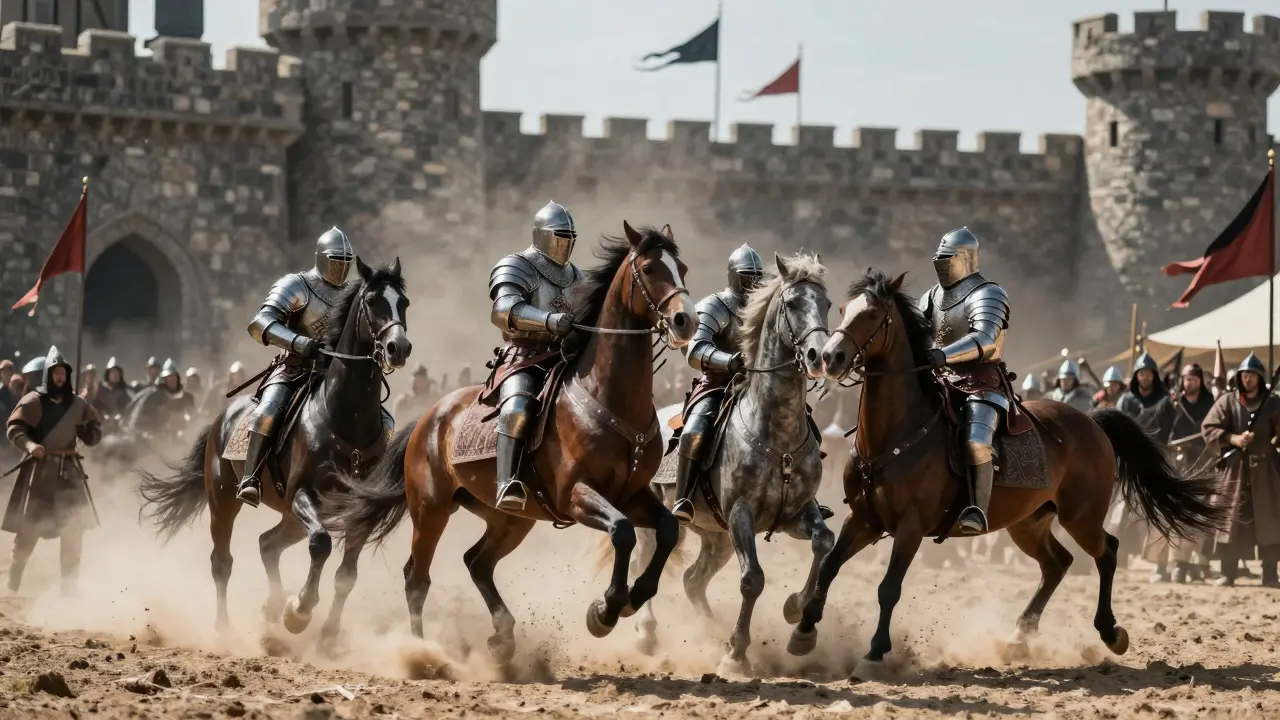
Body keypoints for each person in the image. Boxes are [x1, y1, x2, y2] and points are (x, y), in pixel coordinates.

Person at [237, 227, 387, 507]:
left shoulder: (353, 293)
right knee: (267, 413)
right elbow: (259, 325)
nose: (341, 268)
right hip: (295, 370)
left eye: (346, 262)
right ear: (321, 259)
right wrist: (298, 342)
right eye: (335, 261)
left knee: (384, 422)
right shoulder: (296, 285)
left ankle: (377, 480)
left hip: (336, 376)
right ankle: (251, 478)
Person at [485, 201, 583, 511]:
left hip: (568, 357)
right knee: (517, 408)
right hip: (525, 356)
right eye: (559, 235)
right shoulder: (517, 265)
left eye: (569, 236)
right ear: (541, 235)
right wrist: (548, 321)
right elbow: (503, 310)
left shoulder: (579, 276)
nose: (564, 242)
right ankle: (506, 482)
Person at [918, 227, 1012, 536]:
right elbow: (917, 335)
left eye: (948, 258)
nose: (941, 263)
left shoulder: (988, 292)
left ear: (965, 258)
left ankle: (977, 509)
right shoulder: (931, 296)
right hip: (937, 378)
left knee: (975, 441)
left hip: (979, 382)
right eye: (939, 257)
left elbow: (985, 339)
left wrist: (942, 355)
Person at [670, 244, 764, 524]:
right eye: (748, 276)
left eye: (758, 277)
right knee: (694, 432)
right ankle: (683, 496)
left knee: (803, 425)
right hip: (718, 385)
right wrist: (728, 361)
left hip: (759, 386)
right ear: (734, 276)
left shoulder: (767, 308)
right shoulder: (716, 305)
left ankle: (804, 495)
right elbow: (693, 349)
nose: (753, 283)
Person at [3, 346, 101, 595]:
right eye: (55, 373)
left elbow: (92, 435)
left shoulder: (78, 404)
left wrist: (88, 428)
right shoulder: (33, 401)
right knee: (28, 531)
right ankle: (14, 583)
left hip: (69, 474)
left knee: (73, 530)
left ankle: (69, 590)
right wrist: (30, 445)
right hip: (40, 474)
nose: (59, 377)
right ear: (48, 375)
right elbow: (15, 429)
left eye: (62, 373)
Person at [1201, 352, 1280, 587]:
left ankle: (1270, 575)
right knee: (1230, 523)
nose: (1248, 379)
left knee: (1271, 523)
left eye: (1252, 375)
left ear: (1259, 377)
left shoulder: (1274, 402)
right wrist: (1233, 439)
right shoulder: (1228, 401)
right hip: (1235, 473)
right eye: (1245, 375)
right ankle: (1228, 573)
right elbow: (1209, 427)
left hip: (1266, 472)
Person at [1146, 362, 1217, 583]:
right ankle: (1160, 565)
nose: (1191, 382)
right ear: (1182, 380)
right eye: (1187, 379)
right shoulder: (1171, 403)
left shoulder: (1210, 404)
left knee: (1192, 519)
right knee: (1163, 516)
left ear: (1200, 381)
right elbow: (1155, 430)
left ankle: (1183, 565)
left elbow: (1215, 430)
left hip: (1200, 465)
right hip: (1173, 465)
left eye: (1195, 379)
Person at [123, 359, 197, 441]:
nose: (171, 380)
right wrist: (147, 433)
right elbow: (136, 421)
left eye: (173, 377)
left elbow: (194, 419)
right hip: (155, 438)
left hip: (180, 438)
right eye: (168, 378)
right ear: (163, 379)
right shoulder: (153, 395)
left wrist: (186, 430)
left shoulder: (187, 397)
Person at [1117, 352, 1174, 438]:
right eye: (1142, 374)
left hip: (1155, 446)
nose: (1145, 377)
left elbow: (1168, 429)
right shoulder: (1126, 400)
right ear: (1137, 376)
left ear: (1153, 376)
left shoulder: (1164, 401)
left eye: (1148, 374)